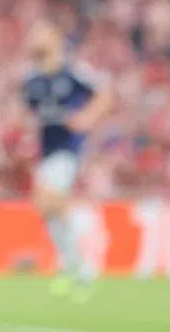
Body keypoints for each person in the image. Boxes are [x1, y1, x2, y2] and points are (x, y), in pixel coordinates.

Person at [20, 21, 114, 302]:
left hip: (67, 148)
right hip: (46, 149)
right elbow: (32, 112)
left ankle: (85, 227)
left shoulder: (73, 71)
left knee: (46, 200)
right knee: (47, 211)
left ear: (55, 38)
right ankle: (73, 266)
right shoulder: (33, 78)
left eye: (40, 33)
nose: (34, 38)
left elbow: (105, 94)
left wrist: (87, 118)